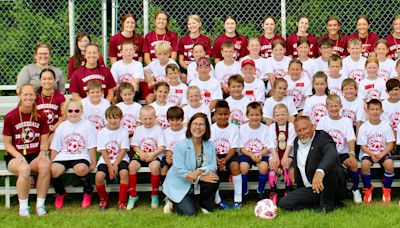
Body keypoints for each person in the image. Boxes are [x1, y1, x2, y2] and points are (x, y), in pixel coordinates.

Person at [278, 116, 348, 213]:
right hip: (311, 188)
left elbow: (331, 153)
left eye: (305, 129)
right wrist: (292, 167)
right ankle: (328, 204)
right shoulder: (296, 142)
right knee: (284, 203)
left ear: (313, 127)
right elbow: (301, 158)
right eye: (299, 131)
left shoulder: (322, 136)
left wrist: (320, 172)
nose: (302, 133)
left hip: (329, 186)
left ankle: (326, 205)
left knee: (332, 167)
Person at [3, 84, 50, 217]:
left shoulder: (40, 116)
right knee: (24, 169)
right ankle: (23, 208)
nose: (28, 97)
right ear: (20, 96)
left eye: (31, 94)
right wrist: (18, 156)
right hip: (15, 156)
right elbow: (7, 144)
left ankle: (40, 205)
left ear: (35, 96)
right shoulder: (10, 117)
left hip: (34, 155)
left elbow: (44, 140)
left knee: (45, 165)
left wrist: (42, 152)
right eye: (25, 94)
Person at [163, 113, 219, 216]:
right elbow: (180, 171)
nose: (198, 127)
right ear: (190, 126)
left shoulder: (210, 144)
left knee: (213, 178)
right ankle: (172, 202)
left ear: (206, 127)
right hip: (179, 183)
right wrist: (201, 178)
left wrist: (199, 172)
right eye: (195, 124)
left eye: (201, 124)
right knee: (190, 213)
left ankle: (205, 206)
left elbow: (213, 166)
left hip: (194, 181)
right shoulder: (181, 145)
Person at [50, 100, 97, 209]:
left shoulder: (88, 125)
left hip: (81, 155)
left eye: (77, 110)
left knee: (81, 169)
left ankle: (88, 192)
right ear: (65, 112)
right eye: (70, 111)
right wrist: (53, 162)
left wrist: (93, 162)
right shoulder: (62, 126)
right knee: (53, 170)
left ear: (81, 112)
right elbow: (55, 147)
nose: (73, 113)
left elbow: (91, 146)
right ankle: (60, 193)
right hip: (64, 155)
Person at [316, 94, 361, 203]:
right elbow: (319, 140)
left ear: (341, 106)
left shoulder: (346, 121)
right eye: (331, 106)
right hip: (327, 155)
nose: (334, 109)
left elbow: (350, 139)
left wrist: (352, 155)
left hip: (342, 154)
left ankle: (355, 189)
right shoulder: (323, 120)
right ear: (327, 108)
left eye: (336, 106)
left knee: (353, 164)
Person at [128, 105, 166, 209]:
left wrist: (153, 154)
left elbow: (162, 146)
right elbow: (134, 145)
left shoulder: (158, 129)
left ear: (155, 117)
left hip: (155, 153)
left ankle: (154, 194)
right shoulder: (138, 129)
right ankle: (132, 195)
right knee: (132, 166)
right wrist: (140, 152)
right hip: (141, 153)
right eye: (145, 119)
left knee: (154, 167)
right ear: (140, 118)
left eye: (150, 118)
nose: (148, 121)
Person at [358, 99, 395, 203]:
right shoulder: (364, 127)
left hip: (382, 152)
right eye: (372, 109)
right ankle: (367, 189)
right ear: (368, 111)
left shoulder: (386, 126)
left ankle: (387, 190)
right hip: (368, 152)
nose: (374, 111)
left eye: (377, 109)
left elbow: (390, 144)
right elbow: (362, 146)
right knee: (365, 164)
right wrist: (371, 154)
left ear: (381, 111)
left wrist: (382, 154)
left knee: (389, 164)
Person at [95, 106, 130, 210]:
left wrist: (115, 165)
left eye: (115, 118)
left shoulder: (124, 131)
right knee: (99, 177)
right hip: (106, 160)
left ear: (121, 118)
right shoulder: (102, 133)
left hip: (121, 159)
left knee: (124, 173)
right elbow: (103, 151)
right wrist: (110, 167)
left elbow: (123, 150)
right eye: (110, 118)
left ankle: (122, 201)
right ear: (106, 118)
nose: (113, 120)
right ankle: (103, 198)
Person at [211, 100, 242, 209]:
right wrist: (217, 160)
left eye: (225, 114)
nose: (223, 117)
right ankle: (217, 200)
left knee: (235, 166)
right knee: (211, 169)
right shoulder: (211, 128)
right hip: (215, 155)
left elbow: (233, 148)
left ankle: (238, 199)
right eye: (220, 114)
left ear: (229, 114)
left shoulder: (234, 128)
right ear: (215, 115)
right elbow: (209, 148)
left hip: (229, 154)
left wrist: (224, 160)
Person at [267, 104, 296, 204]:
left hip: (288, 153)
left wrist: (285, 157)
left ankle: (288, 189)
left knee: (286, 163)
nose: (280, 117)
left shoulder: (291, 126)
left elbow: (290, 143)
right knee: (273, 164)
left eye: (283, 114)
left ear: (288, 115)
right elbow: (272, 143)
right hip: (275, 152)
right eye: (277, 115)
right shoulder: (271, 127)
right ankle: (273, 191)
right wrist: (275, 158)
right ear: (274, 117)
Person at [239, 102, 269, 201]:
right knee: (243, 167)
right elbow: (242, 148)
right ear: (247, 115)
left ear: (261, 115)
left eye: (257, 114)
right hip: (247, 154)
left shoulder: (265, 129)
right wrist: (251, 155)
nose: (254, 117)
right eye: (252, 115)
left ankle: (260, 191)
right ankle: (245, 191)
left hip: (261, 154)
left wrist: (260, 154)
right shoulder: (243, 129)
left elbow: (266, 147)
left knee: (264, 167)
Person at [35, 69, 66, 140]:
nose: (47, 81)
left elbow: (61, 120)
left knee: (53, 138)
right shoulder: (35, 97)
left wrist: (49, 131)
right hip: (37, 132)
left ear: (55, 80)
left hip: (54, 132)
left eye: (50, 79)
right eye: (44, 79)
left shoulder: (60, 98)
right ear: (40, 81)